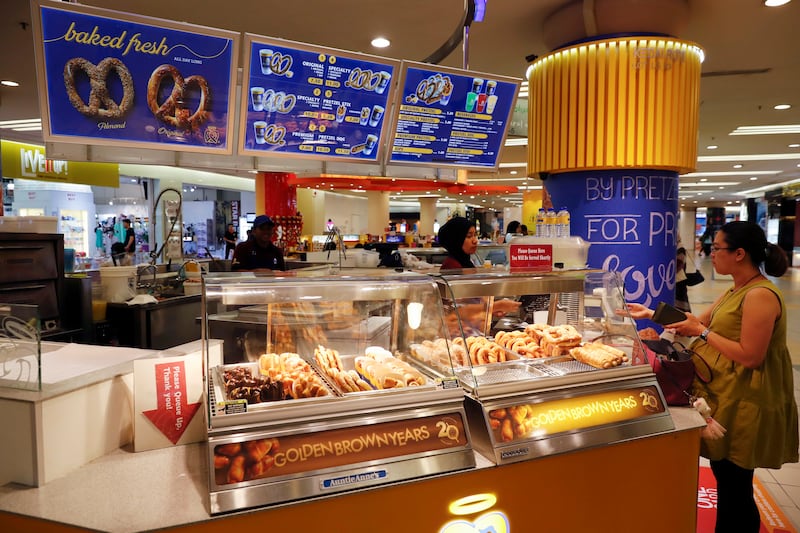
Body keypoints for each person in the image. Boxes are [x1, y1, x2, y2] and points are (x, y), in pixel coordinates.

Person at [622, 221, 798, 533]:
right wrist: (651, 313)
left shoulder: (760, 295)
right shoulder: (738, 288)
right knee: (726, 479)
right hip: (728, 391)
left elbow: (751, 355)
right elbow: (695, 320)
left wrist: (702, 332)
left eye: (717, 248)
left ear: (739, 253)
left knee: (735, 485)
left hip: (748, 399)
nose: (711, 254)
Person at [674, 244, 690, 312]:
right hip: (674, 282)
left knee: (680, 304)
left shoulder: (680, 248)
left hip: (679, 281)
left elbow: (678, 265)